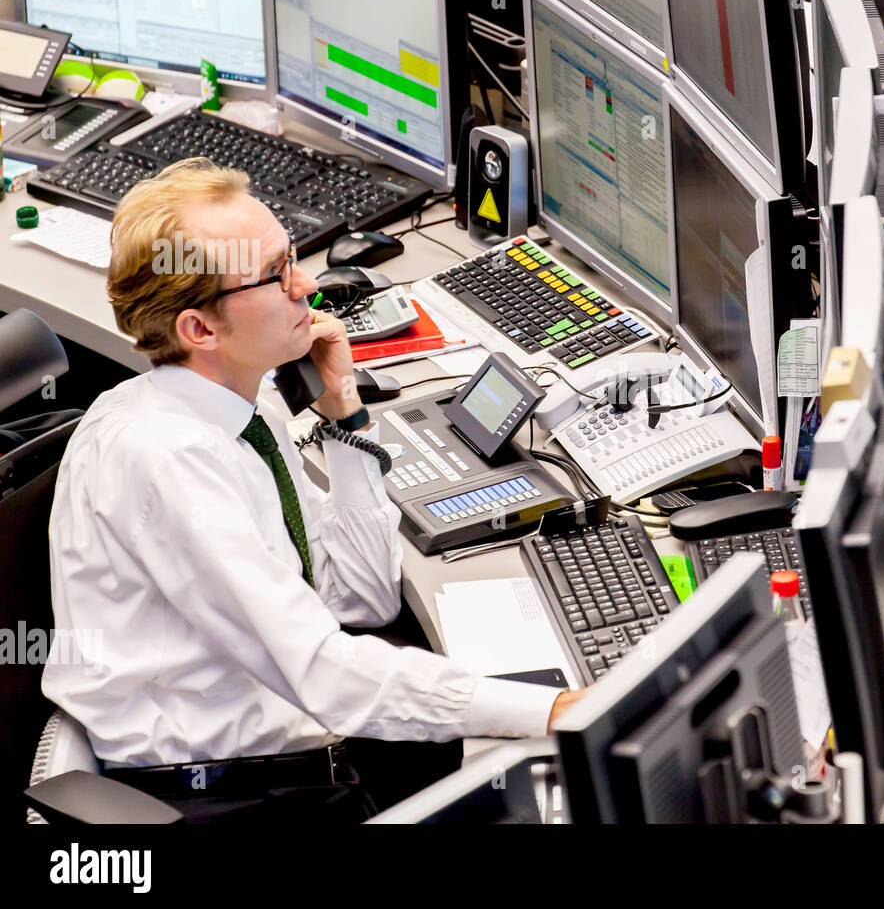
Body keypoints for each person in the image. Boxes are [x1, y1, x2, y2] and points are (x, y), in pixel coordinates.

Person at [42, 157, 587, 822]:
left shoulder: (246, 404)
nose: (308, 285)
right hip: (232, 798)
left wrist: (342, 410)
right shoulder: (166, 460)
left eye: (293, 255)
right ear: (200, 329)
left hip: (297, 747)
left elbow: (362, 596)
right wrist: (551, 710)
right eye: (276, 275)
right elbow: (326, 675)